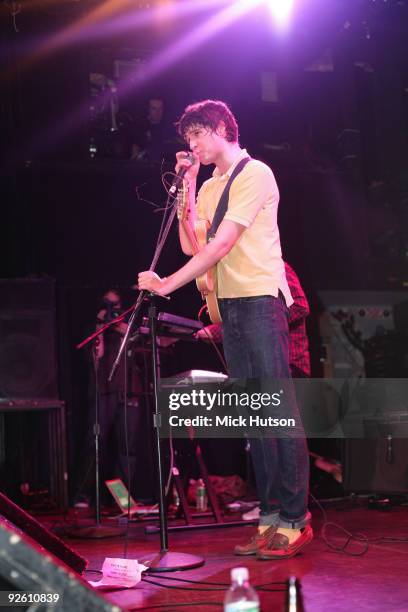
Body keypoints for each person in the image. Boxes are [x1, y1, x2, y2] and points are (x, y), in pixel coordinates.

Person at [138, 100, 312, 559]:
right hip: (229, 309)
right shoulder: (212, 183)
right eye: (187, 140)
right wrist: (187, 188)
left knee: (275, 412)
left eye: (196, 136)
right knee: (254, 419)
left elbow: (222, 244)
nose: (191, 146)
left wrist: (166, 285)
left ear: (217, 128)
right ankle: (272, 518)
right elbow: (191, 240)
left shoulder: (256, 173)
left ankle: (296, 520)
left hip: (259, 300)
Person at [130, 97, 171, 162]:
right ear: (148, 109)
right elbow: (134, 153)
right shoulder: (139, 127)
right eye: (154, 108)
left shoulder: (169, 128)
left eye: (160, 108)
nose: (157, 112)